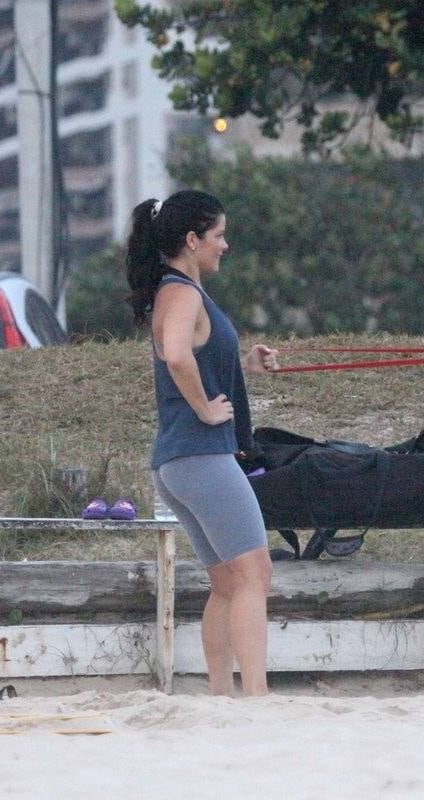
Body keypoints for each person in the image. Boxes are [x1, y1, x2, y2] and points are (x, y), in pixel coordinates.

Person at [126, 189, 278, 697]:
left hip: (180, 461)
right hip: (200, 455)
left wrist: (245, 365)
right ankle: (256, 698)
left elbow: (192, 353)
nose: (225, 245)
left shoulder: (178, 292)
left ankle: (220, 696)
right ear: (192, 240)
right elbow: (175, 355)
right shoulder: (182, 293)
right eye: (218, 236)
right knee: (256, 575)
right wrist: (207, 410)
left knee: (228, 583)